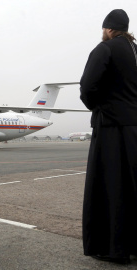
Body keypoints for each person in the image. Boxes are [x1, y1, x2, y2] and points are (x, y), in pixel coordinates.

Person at [80, 9, 137, 264]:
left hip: (111, 128)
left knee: (111, 187)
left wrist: (98, 106)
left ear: (109, 28)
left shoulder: (106, 49)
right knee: (133, 187)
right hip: (135, 126)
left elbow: (88, 86)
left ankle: (113, 248)